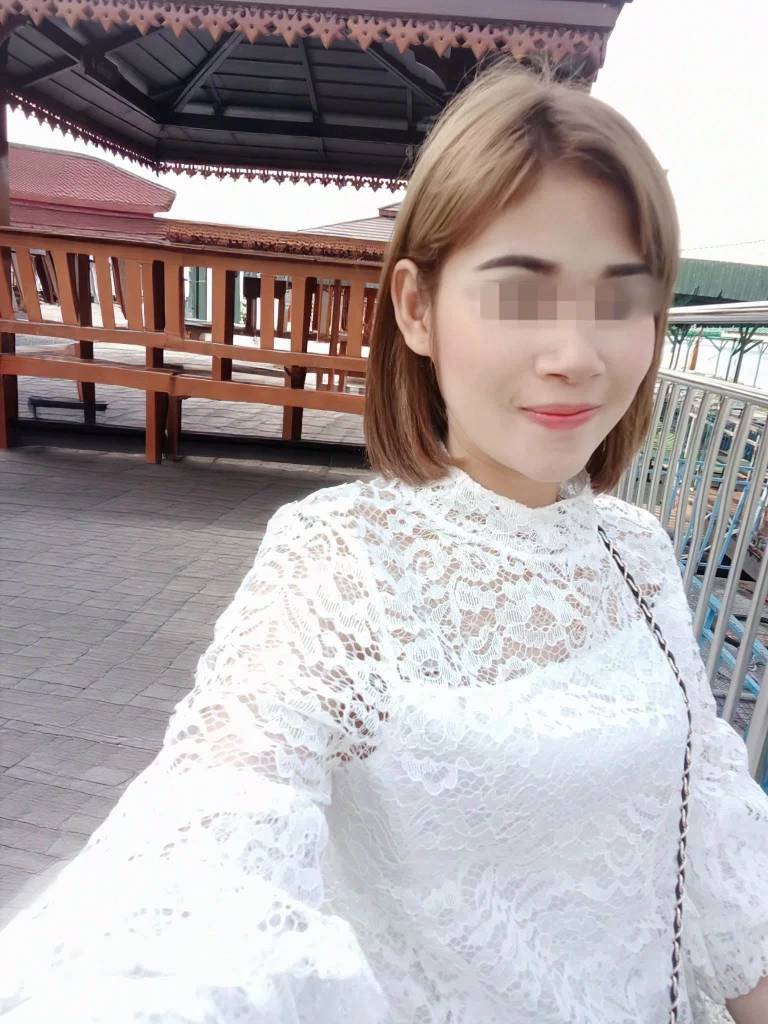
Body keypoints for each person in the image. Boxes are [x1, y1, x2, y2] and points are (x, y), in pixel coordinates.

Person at [0, 60, 766, 1024]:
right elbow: (216, 824)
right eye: (519, 294)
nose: (576, 355)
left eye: (621, 299)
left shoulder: (637, 550)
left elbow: (714, 828)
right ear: (415, 307)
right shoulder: (338, 560)